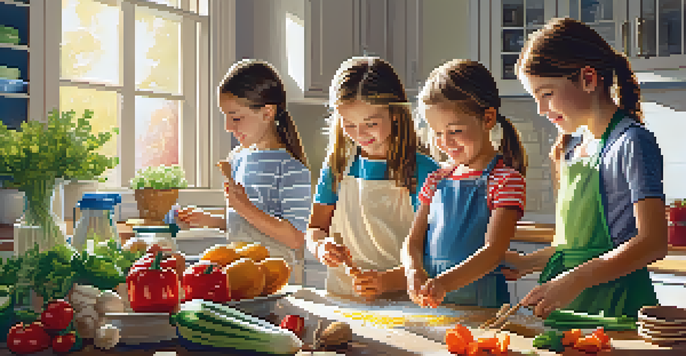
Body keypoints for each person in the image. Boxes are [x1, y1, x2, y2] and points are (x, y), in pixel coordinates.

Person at [503, 17, 668, 319]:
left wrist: (575, 279)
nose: (541, 110)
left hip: (618, 305)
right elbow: (575, 249)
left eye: (547, 94)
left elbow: (653, 242)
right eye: (535, 98)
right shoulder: (571, 150)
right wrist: (525, 262)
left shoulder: (631, 143)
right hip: (573, 308)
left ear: (588, 79)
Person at [305, 56, 440, 300]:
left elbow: (438, 256)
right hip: (343, 299)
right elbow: (315, 228)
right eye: (349, 124)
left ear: (396, 114)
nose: (360, 133)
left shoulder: (422, 171)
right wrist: (320, 246)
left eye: (371, 123)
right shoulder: (338, 166)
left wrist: (386, 282)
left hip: (404, 304)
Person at [398, 59, 527, 309]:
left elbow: (493, 252)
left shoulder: (505, 181)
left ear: (488, 118)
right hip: (436, 305)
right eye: (437, 133)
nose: (445, 142)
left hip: (483, 308)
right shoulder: (435, 180)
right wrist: (412, 270)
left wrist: (444, 284)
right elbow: (413, 241)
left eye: (455, 131)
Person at [176, 59, 312, 284]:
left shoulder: (290, 168)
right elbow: (245, 223)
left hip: (274, 282)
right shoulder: (238, 159)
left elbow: (295, 238)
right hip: (239, 277)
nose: (228, 127)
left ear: (267, 113)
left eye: (236, 117)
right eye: (226, 117)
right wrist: (210, 220)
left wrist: (244, 207)